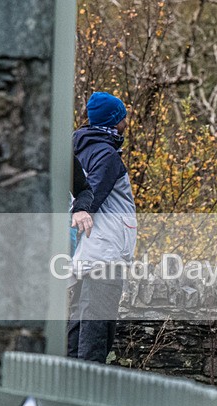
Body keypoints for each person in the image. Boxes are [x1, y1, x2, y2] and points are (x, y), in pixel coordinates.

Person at [67, 91, 137, 364]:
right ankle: (87, 385)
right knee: (97, 325)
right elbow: (91, 195)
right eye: (123, 118)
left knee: (79, 318)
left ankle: (69, 377)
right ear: (114, 121)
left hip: (84, 248)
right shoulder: (106, 155)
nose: (126, 123)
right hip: (104, 250)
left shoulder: (78, 147)